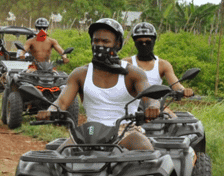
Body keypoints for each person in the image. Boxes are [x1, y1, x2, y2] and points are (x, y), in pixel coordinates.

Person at [36, 18, 160, 150]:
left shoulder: (133, 73)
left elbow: (150, 97)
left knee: (144, 148)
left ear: (118, 44)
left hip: (125, 131)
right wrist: (50, 111)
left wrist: (153, 107)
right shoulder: (80, 74)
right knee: (61, 154)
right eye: (96, 41)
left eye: (105, 41)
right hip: (90, 131)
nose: (100, 45)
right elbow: (61, 102)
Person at [124, 22, 194, 99]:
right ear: (135, 43)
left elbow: (175, 85)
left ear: (153, 42)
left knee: (165, 108)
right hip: (131, 103)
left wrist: (183, 90)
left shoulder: (162, 65)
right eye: (140, 43)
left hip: (155, 104)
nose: (144, 45)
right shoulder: (126, 63)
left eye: (148, 42)